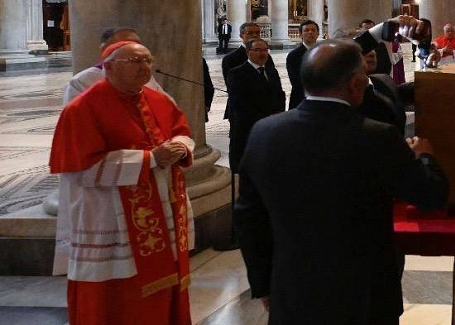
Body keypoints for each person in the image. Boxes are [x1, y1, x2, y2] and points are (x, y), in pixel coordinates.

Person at [234, 39, 449, 324]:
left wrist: (263, 285)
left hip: (293, 288)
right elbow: (431, 196)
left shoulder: (264, 132)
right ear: (354, 84)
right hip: (364, 292)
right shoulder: (378, 137)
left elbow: (249, 217)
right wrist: (424, 157)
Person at [50, 41, 195, 325]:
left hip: (160, 210)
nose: (145, 68)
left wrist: (180, 146)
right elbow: (82, 170)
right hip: (109, 217)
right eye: (135, 61)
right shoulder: (83, 108)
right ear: (109, 66)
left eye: (148, 60)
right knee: (117, 292)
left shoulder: (158, 100)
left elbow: (181, 131)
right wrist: (149, 159)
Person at [225, 37, 286, 175]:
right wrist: (266, 118)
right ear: (248, 52)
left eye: (265, 50)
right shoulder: (237, 73)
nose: (262, 53)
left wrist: (279, 114)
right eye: (257, 50)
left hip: (271, 126)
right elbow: (240, 103)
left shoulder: (271, 71)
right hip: (247, 127)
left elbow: (280, 94)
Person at [63, 27, 164, 105]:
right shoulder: (82, 82)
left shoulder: (145, 78)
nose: (144, 66)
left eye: (148, 60)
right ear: (105, 50)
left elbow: (170, 114)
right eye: (124, 45)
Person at [285, 19, 321, 109]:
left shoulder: (324, 52)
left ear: (318, 34)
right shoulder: (293, 55)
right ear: (301, 34)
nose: (310, 33)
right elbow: (296, 81)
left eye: (313, 30)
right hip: (301, 99)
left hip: (323, 100)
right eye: (306, 30)